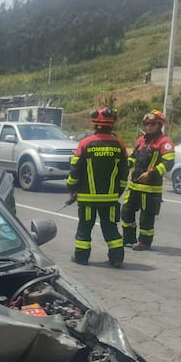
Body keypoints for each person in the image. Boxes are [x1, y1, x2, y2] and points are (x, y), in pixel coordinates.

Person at [66, 107, 128, 268]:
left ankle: (81, 257)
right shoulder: (119, 144)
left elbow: (75, 169)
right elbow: (124, 173)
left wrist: (71, 187)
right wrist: (117, 192)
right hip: (110, 198)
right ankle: (117, 258)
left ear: (94, 123)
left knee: (84, 228)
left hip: (87, 199)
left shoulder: (85, 143)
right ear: (112, 124)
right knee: (111, 229)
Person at [121, 109, 176, 251]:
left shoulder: (165, 142)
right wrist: (126, 165)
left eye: (153, 124)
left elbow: (168, 163)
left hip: (151, 188)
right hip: (134, 185)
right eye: (147, 124)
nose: (149, 127)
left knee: (146, 217)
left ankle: (144, 242)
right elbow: (133, 157)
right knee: (126, 212)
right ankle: (128, 239)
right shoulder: (140, 140)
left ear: (159, 125)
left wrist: (151, 173)